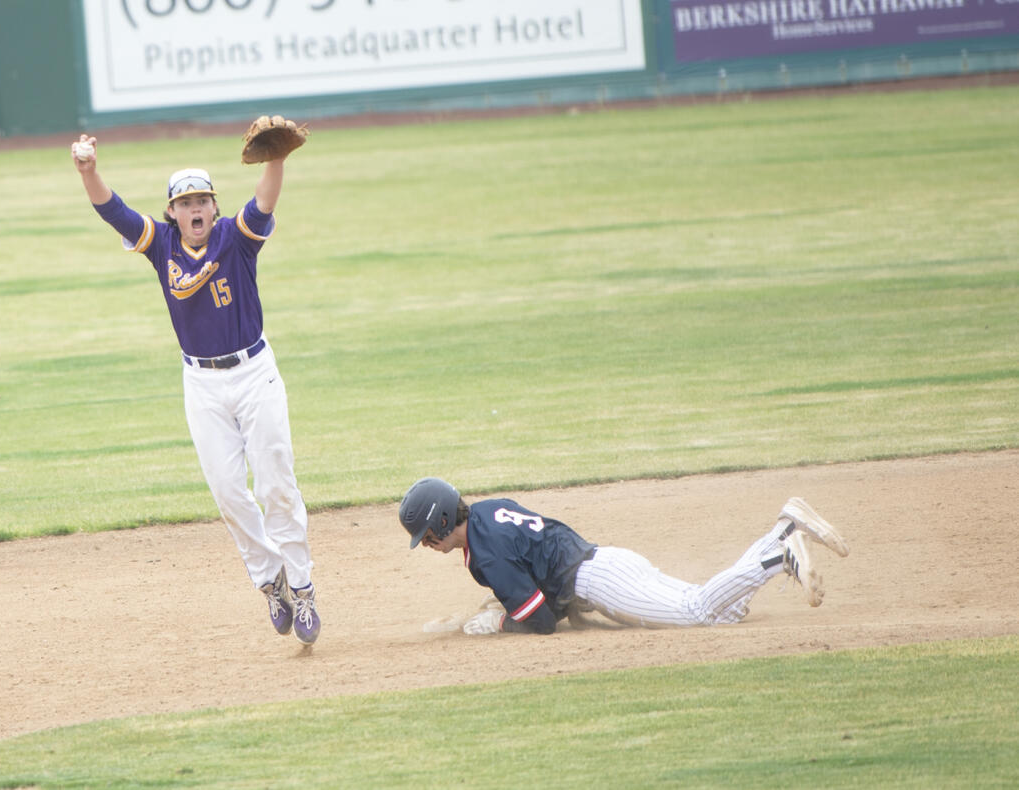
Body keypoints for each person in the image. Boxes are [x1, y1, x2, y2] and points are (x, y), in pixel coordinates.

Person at [71, 132, 319, 645]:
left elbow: (265, 200)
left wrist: (275, 160)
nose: (195, 209)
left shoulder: (235, 238)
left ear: (213, 206)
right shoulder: (160, 246)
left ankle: (304, 584)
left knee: (275, 483)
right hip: (201, 384)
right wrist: (88, 170)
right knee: (229, 492)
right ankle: (271, 582)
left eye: (202, 200)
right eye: (185, 203)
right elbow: (112, 211)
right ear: (173, 213)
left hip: (255, 374)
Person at [398, 477, 849, 635]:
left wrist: (500, 621)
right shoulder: (490, 510)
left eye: (425, 536)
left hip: (601, 583)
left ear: (439, 525)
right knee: (725, 614)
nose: (428, 546)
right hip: (609, 562)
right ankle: (782, 529)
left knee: (699, 612)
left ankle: (778, 557)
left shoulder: (486, 555)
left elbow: (540, 622)